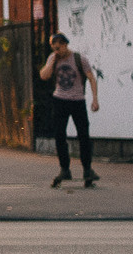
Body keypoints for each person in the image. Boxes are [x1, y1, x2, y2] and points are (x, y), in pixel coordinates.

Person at [40, 33, 101, 188]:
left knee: (83, 135)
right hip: (60, 100)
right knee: (59, 135)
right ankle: (64, 168)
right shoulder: (53, 59)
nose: (57, 50)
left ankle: (87, 169)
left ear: (65, 44)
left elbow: (91, 78)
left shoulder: (79, 59)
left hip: (77, 100)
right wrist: (52, 62)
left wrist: (94, 99)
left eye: (59, 47)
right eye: (54, 48)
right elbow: (44, 76)